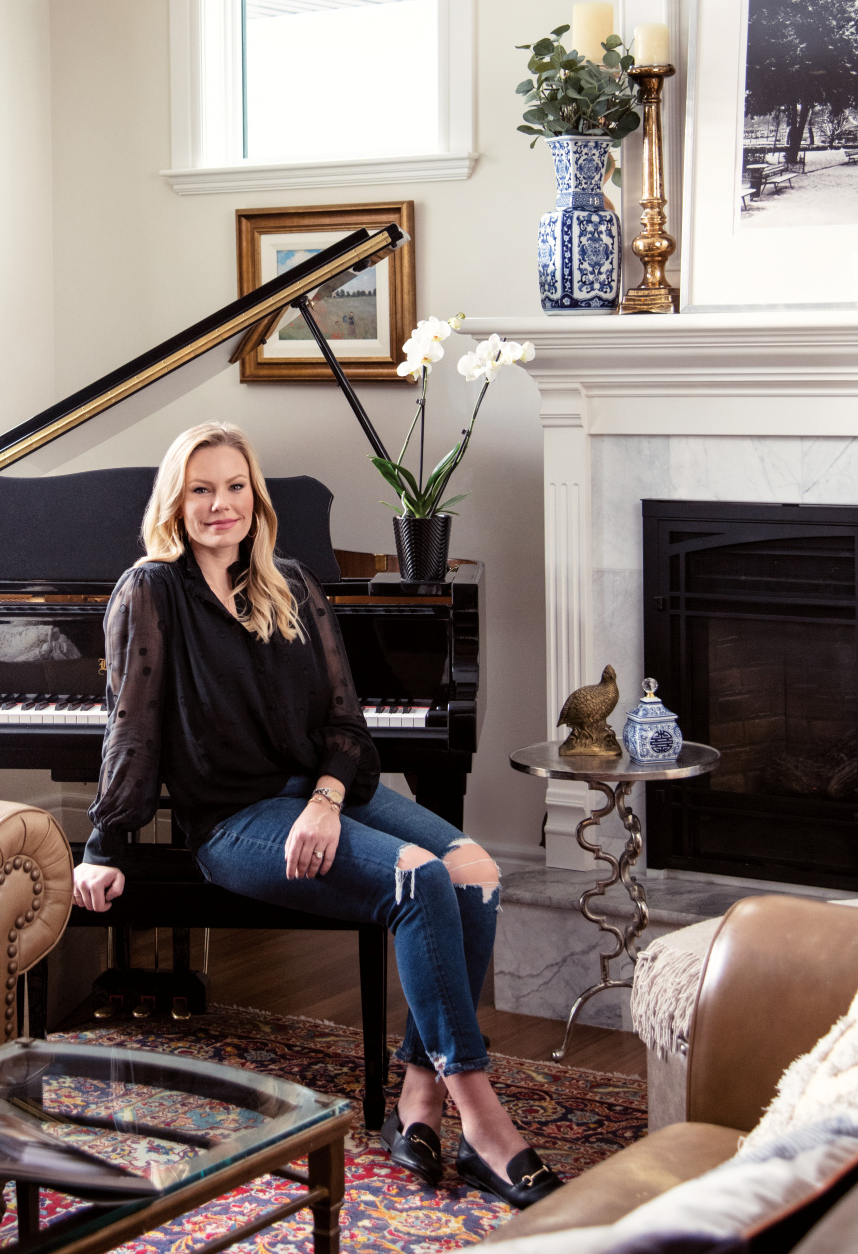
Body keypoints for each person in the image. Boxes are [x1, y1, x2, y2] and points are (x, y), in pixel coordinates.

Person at [73, 420, 562, 1210]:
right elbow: (130, 726)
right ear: (176, 501)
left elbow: (346, 722)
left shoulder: (291, 581)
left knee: (474, 873)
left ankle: (418, 1099)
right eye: (201, 489)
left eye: (234, 486)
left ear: (255, 497)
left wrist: (328, 799)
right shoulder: (151, 591)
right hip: (236, 819)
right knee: (416, 879)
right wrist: (104, 841)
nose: (220, 504)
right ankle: (483, 1119)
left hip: (329, 793)